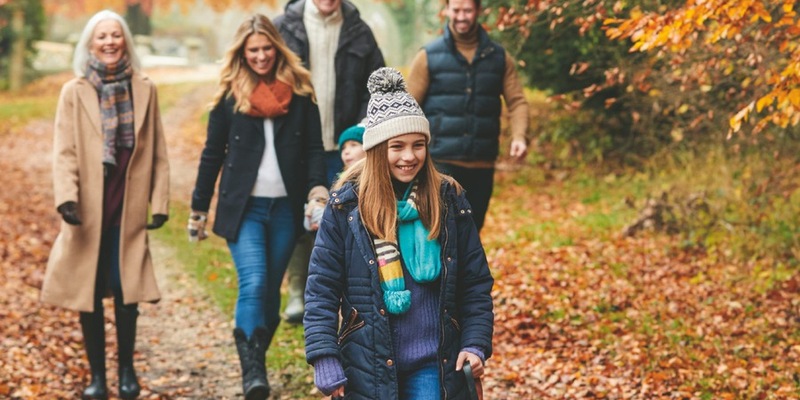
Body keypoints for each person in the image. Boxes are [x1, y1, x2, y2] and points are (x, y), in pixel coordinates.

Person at [304, 67, 494, 399]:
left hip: (433, 362)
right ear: (378, 150)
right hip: (369, 362)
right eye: (397, 146)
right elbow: (322, 288)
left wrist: (475, 343)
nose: (409, 156)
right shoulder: (347, 207)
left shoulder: (448, 199)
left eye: (418, 145)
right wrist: (324, 356)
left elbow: (475, 283)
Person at [188, 14, 326, 400]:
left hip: (284, 209)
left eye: (267, 48)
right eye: (254, 50)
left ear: (277, 49)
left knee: (270, 292)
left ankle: (254, 365)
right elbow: (212, 154)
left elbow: (315, 149)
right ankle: (254, 374)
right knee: (254, 282)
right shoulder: (232, 97)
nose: (261, 56)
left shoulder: (299, 94)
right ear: (242, 53)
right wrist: (199, 208)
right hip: (243, 208)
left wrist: (318, 190)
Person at [41, 10, 170, 400]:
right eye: (102, 37)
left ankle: (127, 372)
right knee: (90, 291)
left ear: (125, 41)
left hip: (126, 204)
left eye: (116, 35)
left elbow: (159, 151)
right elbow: (63, 150)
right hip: (88, 208)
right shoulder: (75, 91)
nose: (110, 42)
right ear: (90, 44)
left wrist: (159, 200)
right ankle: (98, 378)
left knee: (127, 289)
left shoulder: (145, 88)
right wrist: (66, 197)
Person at [274, 0, 386, 323]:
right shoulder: (284, 26)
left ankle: (341, 296)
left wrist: (363, 128)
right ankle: (298, 290)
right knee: (299, 215)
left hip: (344, 146)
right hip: (295, 144)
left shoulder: (358, 30)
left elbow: (376, 85)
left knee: (342, 218)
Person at [407, 0, 530, 232]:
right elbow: (408, 106)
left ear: (478, 11)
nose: (461, 16)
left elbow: (517, 101)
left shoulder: (498, 57)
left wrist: (519, 137)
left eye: (467, 10)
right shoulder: (428, 56)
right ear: (447, 10)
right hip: (440, 162)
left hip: (482, 163)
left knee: (472, 233)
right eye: (456, 10)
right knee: (441, 231)